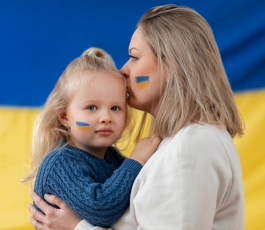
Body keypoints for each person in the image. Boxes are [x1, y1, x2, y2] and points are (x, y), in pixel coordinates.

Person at [28, 4, 245, 230]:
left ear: (171, 64)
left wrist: (76, 227)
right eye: (91, 107)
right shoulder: (178, 143)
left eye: (134, 57)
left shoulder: (190, 146)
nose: (123, 70)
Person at [21, 47, 161, 227]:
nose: (106, 117)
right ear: (65, 117)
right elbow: (101, 209)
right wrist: (137, 160)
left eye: (115, 108)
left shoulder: (112, 158)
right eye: (92, 107)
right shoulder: (60, 163)